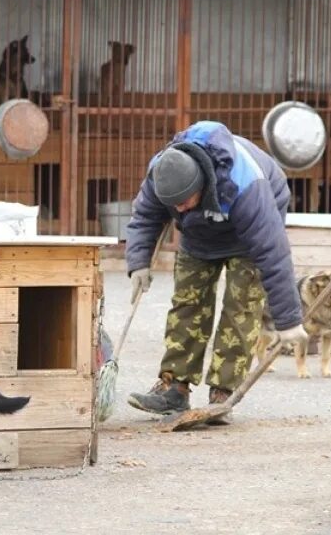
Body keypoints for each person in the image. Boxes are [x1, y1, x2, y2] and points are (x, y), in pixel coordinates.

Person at [125, 121, 308, 424]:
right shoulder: (162, 173)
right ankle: (173, 388)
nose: (179, 209)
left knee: (241, 309)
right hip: (200, 234)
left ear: (200, 184)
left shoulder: (247, 186)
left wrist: (288, 320)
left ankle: (223, 392)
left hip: (246, 237)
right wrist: (138, 263)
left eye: (184, 202)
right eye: (174, 205)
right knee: (187, 305)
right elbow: (145, 216)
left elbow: (273, 254)